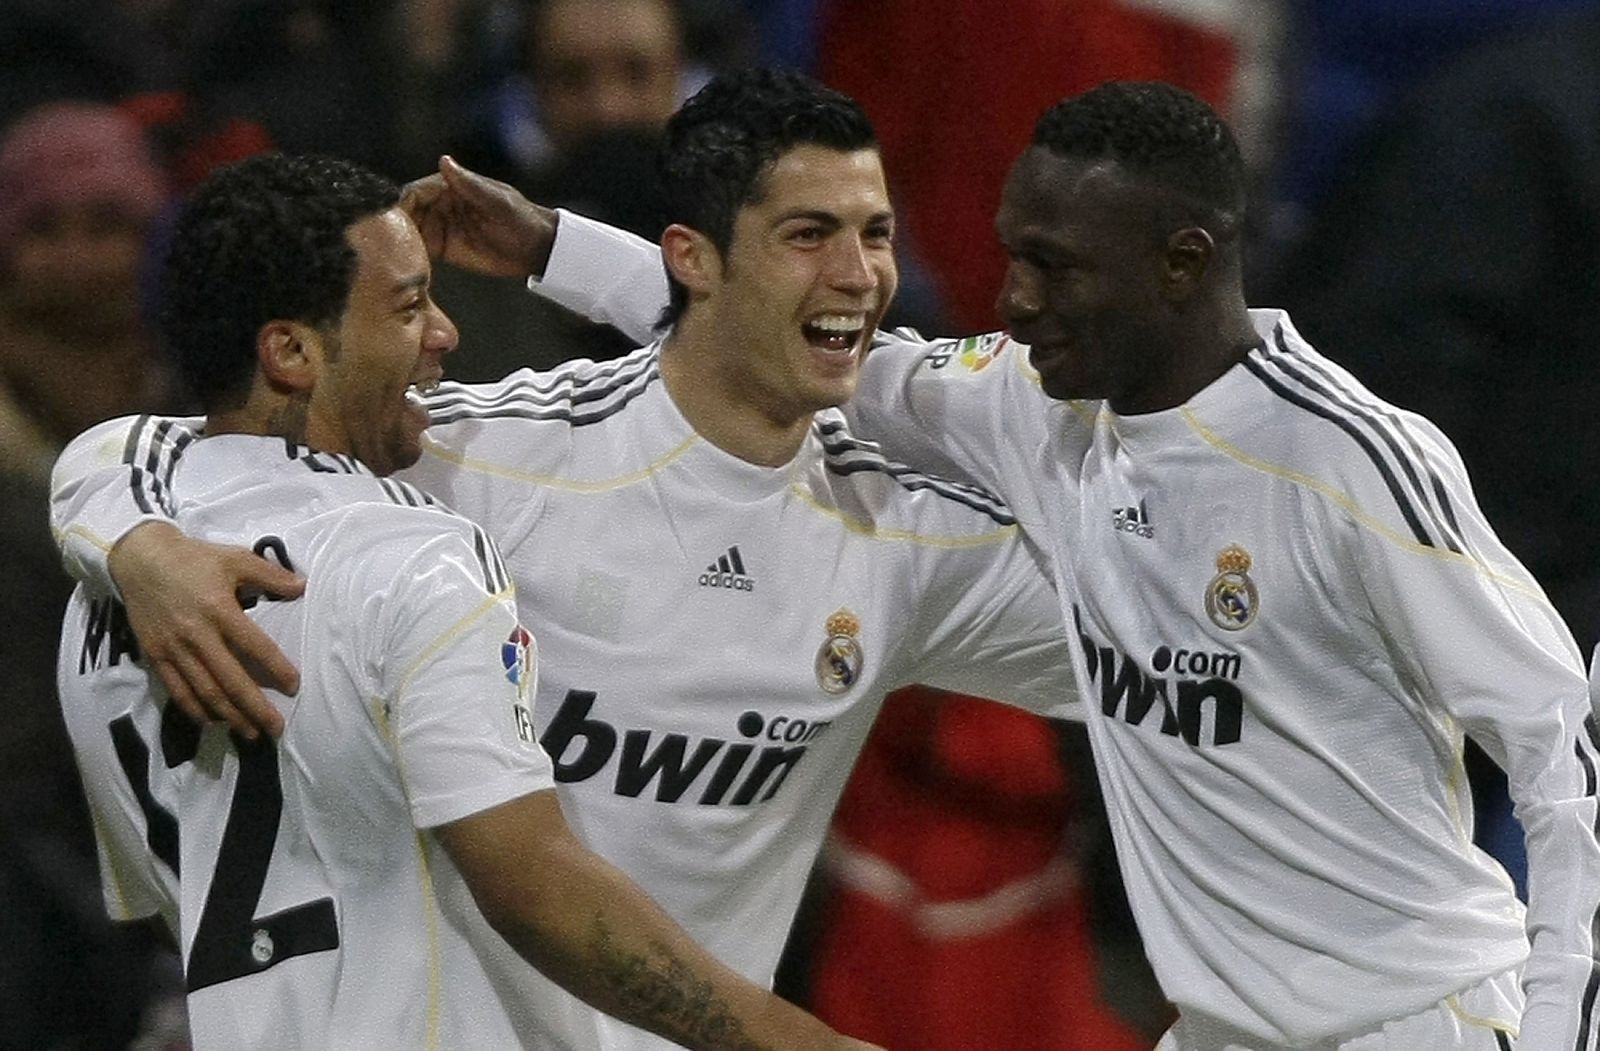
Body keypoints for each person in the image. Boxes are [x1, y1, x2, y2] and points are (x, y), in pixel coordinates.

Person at [423, 81, 1600, 1049]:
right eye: (1011, 256)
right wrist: (550, 246)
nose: (1012, 298)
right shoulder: (1031, 407)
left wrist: (1557, 1028)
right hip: (1219, 1030)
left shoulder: (1347, 462)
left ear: (1181, 265)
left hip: (1414, 1023)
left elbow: (1560, 742)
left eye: (1053, 266)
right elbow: (773, 335)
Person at [50, 71, 1077, 1050]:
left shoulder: (907, 539)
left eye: (876, 234)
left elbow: (1161, 623)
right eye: (808, 234)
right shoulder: (473, 462)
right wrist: (139, 543)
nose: (858, 273)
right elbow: (183, 441)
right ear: (692, 256)